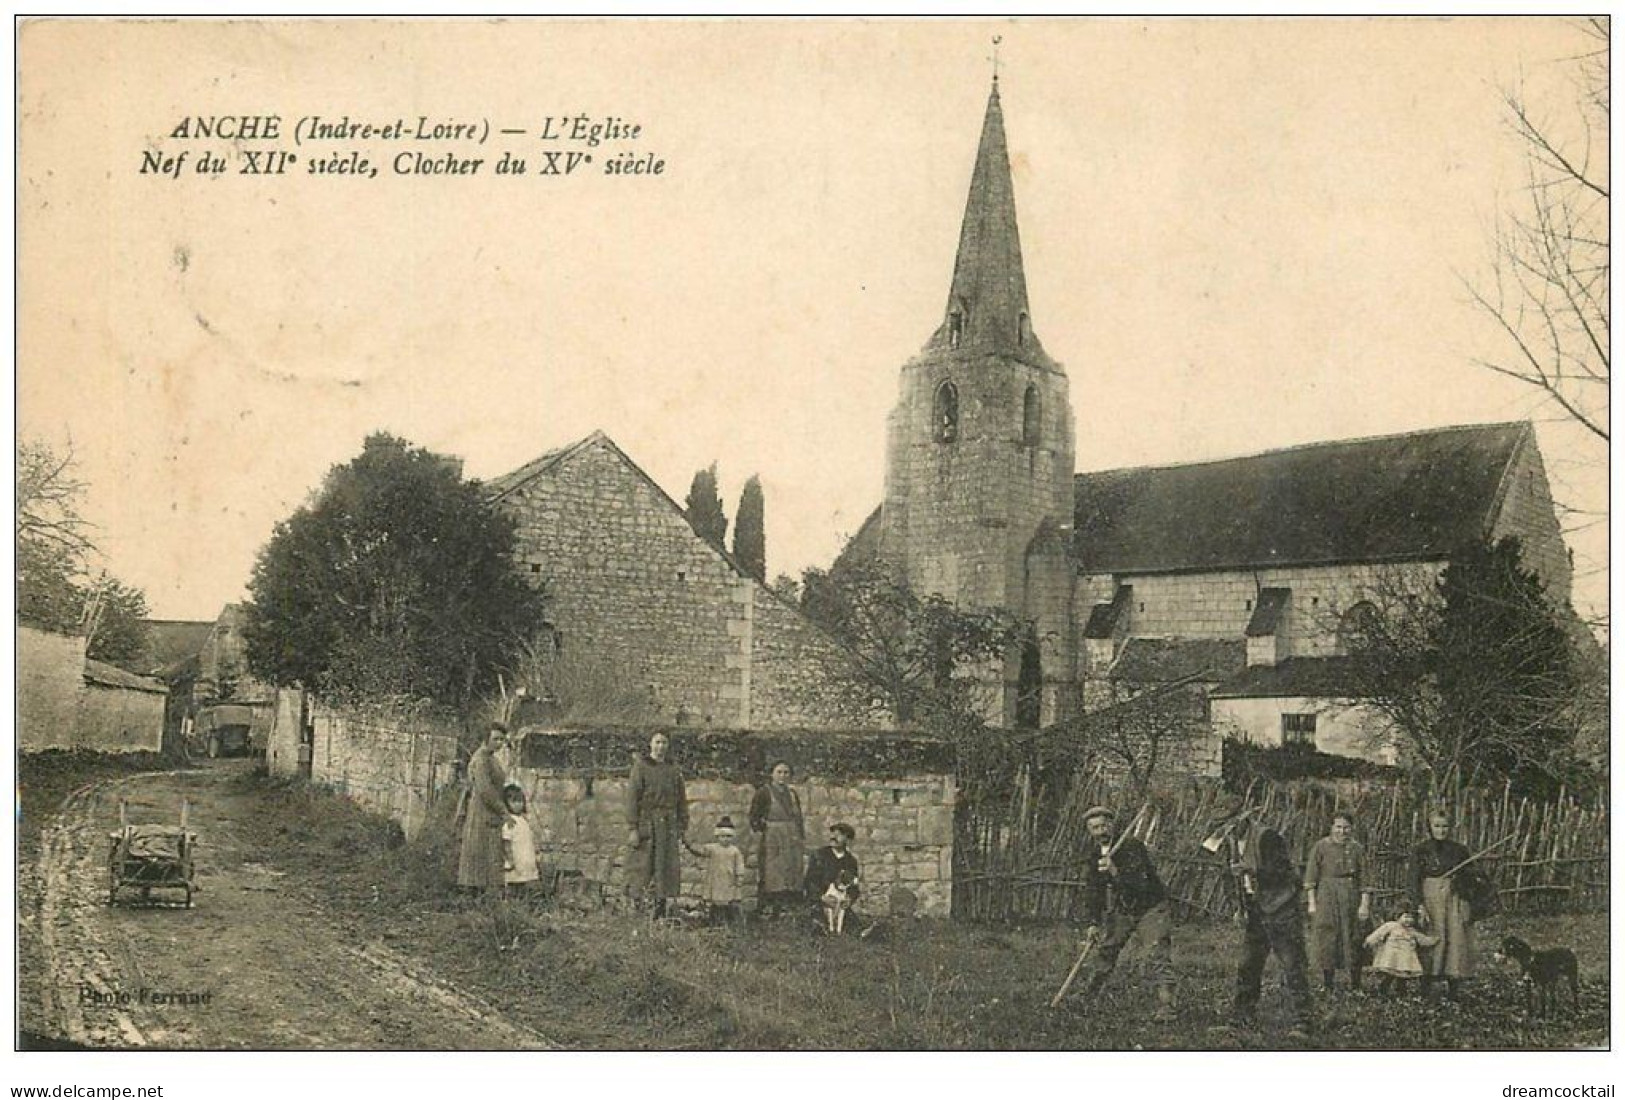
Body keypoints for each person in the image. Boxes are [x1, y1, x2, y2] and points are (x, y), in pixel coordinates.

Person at [1204, 792, 1314, 1036]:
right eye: (1221, 825)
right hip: (1256, 910)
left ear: (1243, 818)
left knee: (1292, 964)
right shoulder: (1228, 843)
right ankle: (1242, 1018)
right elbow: (1227, 876)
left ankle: (1303, 1022)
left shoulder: (1267, 837)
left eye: (1229, 823)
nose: (1225, 829)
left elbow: (1285, 874)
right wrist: (1237, 906)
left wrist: (1252, 870)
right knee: (1248, 965)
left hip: (1281, 908)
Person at [1070, 806, 1175, 1019]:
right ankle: (1087, 997)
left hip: (1151, 907)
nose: (1100, 832)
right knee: (1106, 950)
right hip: (1123, 909)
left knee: (1156, 952)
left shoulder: (1132, 847)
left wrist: (1115, 870)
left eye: (1103, 826)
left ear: (1112, 825)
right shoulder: (1094, 855)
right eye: (1094, 828)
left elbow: (1141, 885)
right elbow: (1094, 890)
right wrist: (1093, 922)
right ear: (1089, 831)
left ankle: (1167, 1007)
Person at [1408, 808, 1477, 1000]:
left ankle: (1454, 988)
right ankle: (1426, 987)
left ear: (1451, 827)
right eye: (1437, 826)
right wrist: (1418, 904)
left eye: (1445, 826)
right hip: (1430, 899)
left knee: (1455, 939)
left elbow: (1471, 877)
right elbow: (1413, 879)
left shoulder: (1460, 850)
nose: (1441, 830)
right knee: (1432, 938)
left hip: (1454, 898)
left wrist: (1462, 886)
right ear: (1430, 827)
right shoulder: (1421, 850)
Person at [1304, 812, 1372, 993]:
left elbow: (1365, 878)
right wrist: (1312, 902)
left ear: (1352, 828)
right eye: (1338, 827)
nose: (1342, 831)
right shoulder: (1320, 847)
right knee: (1328, 936)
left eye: (1346, 827)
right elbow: (1311, 875)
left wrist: (1364, 903)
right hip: (1327, 895)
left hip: (1351, 895)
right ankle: (1328, 984)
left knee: (1354, 936)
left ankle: (1356, 984)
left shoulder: (1357, 849)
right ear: (1331, 828)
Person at [625, 731, 689, 919]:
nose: (660, 747)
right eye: (657, 742)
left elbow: (682, 800)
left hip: (668, 823)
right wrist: (633, 828)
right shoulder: (641, 767)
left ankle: (660, 910)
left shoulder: (673, 769)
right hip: (647, 821)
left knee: (665, 866)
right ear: (650, 744)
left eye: (664, 743)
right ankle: (637, 908)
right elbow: (632, 798)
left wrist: (682, 825)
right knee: (642, 865)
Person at [456, 722, 510, 894]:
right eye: (496, 739)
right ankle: (473, 897)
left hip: (490, 812)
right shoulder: (481, 760)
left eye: (502, 739)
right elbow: (485, 790)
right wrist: (503, 811)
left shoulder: (491, 758)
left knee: (488, 854)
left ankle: (484, 896)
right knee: (478, 851)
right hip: (482, 811)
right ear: (485, 739)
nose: (500, 743)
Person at [748, 761, 805, 918]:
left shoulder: (792, 794)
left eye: (786, 772)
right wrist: (764, 829)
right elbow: (753, 817)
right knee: (771, 871)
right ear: (772, 774)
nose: (783, 776)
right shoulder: (764, 793)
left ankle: (785, 909)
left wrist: (800, 837)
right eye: (779, 772)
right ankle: (767, 908)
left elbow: (799, 818)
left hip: (791, 838)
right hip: (772, 837)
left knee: (791, 871)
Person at [1363, 904, 1440, 997]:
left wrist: (1434, 940)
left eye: (1411, 918)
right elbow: (1379, 933)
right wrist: (1369, 940)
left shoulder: (1412, 931)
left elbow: (1422, 940)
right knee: (1390, 975)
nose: (1409, 920)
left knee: (1403, 975)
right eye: (1406, 917)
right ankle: (1383, 988)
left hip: (1405, 957)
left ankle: (1401, 991)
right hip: (1393, 956)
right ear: (1398, 916)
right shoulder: (1391, 926)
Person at [684, 815, 747, 927]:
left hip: (729, 881)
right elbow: (700, 850)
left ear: (732, 837)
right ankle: (715, 922)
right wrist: (689, 844)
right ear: (717, 837)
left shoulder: (734, 851)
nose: (725, 839)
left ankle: (732, 923)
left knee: (730, 903)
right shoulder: (713, 848)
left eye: (728, 836)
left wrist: (739, 876)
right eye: (722, 836)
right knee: (716, 904)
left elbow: (739, 865)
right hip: (716, 880)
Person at [803, 823, 861, 934]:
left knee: (853, 927)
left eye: (839, 835)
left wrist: (850, 899)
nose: (834, 837)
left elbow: (854, 885)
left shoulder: (851, 861)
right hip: (819, 903)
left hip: (839, 905)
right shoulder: (819, 855)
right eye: (833, 833)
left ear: (847, 839)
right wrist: (822, 897)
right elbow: (810, 881)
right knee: (817, 923)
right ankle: (819, 928)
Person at [501, 783, 541, 897]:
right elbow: (506, 842)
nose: (518, 804)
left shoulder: (523, 820)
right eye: (514, 801)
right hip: (516, 860)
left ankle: (522, 906)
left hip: (525, 859)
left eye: (520, 801)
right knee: (513, 886)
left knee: (524, 886)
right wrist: (510, 860)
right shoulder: (510, 822)